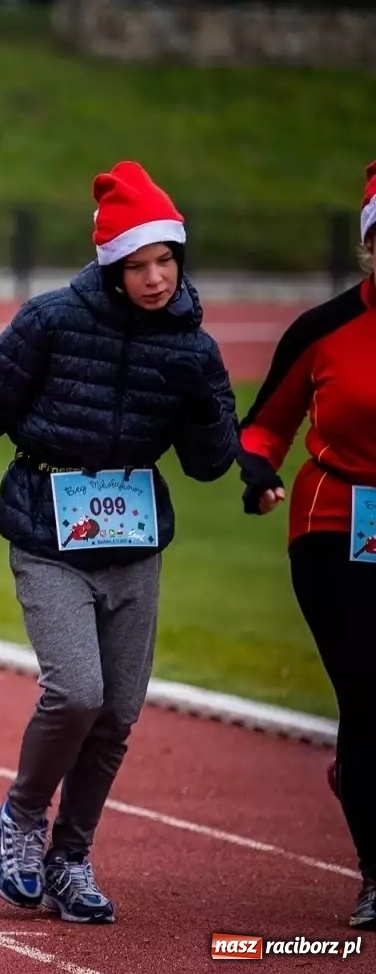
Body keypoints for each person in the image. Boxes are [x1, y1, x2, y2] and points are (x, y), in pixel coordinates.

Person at [0, 160, 237, 925]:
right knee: (77, 693)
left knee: (119, 714)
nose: (156, 278)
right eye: (139, 264)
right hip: (47, 528)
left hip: (134, 539)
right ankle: (22, 820)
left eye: (167, 261)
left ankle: (71, 855)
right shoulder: (49, 321)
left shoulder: (192, 345)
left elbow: (209, 462)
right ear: (111, 263)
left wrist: (204, 403)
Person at [233, 159, 376, 930]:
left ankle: (357, 772)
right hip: (336, 525)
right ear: (368, 248)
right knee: (369, 693)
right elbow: (266, 423)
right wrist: (256, 468)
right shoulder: (322, 331)